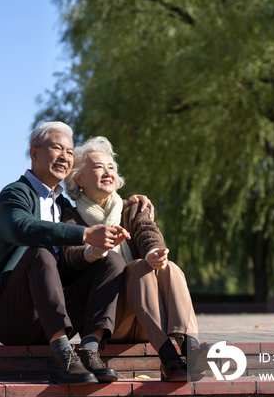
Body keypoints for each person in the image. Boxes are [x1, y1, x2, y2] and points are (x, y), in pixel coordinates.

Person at [0, 122, 150, 385]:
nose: (65, 157)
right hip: (14, 316)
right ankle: (62, 355)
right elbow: (21, 228)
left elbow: (101, 200)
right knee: (40, 253)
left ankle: (89, 349)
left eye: (69, 151)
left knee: (110, 258)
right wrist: (85, 234)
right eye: (57, 148)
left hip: (57, 311)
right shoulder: (14, 194)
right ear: (34, 154)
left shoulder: (66, 206)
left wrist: (134, 202)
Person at [61, 136, 207, 382]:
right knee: (138, 267)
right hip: (109, 322)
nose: (108, 172)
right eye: (98, 167)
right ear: (79, 179)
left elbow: (148, 233)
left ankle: (189, 347)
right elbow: (70, 257)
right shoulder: (70, 217)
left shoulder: (131, 208)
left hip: (149, 321)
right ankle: (170, 358)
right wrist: (96, 248)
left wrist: (154, 254)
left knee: (168, 267)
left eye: (111, 168)